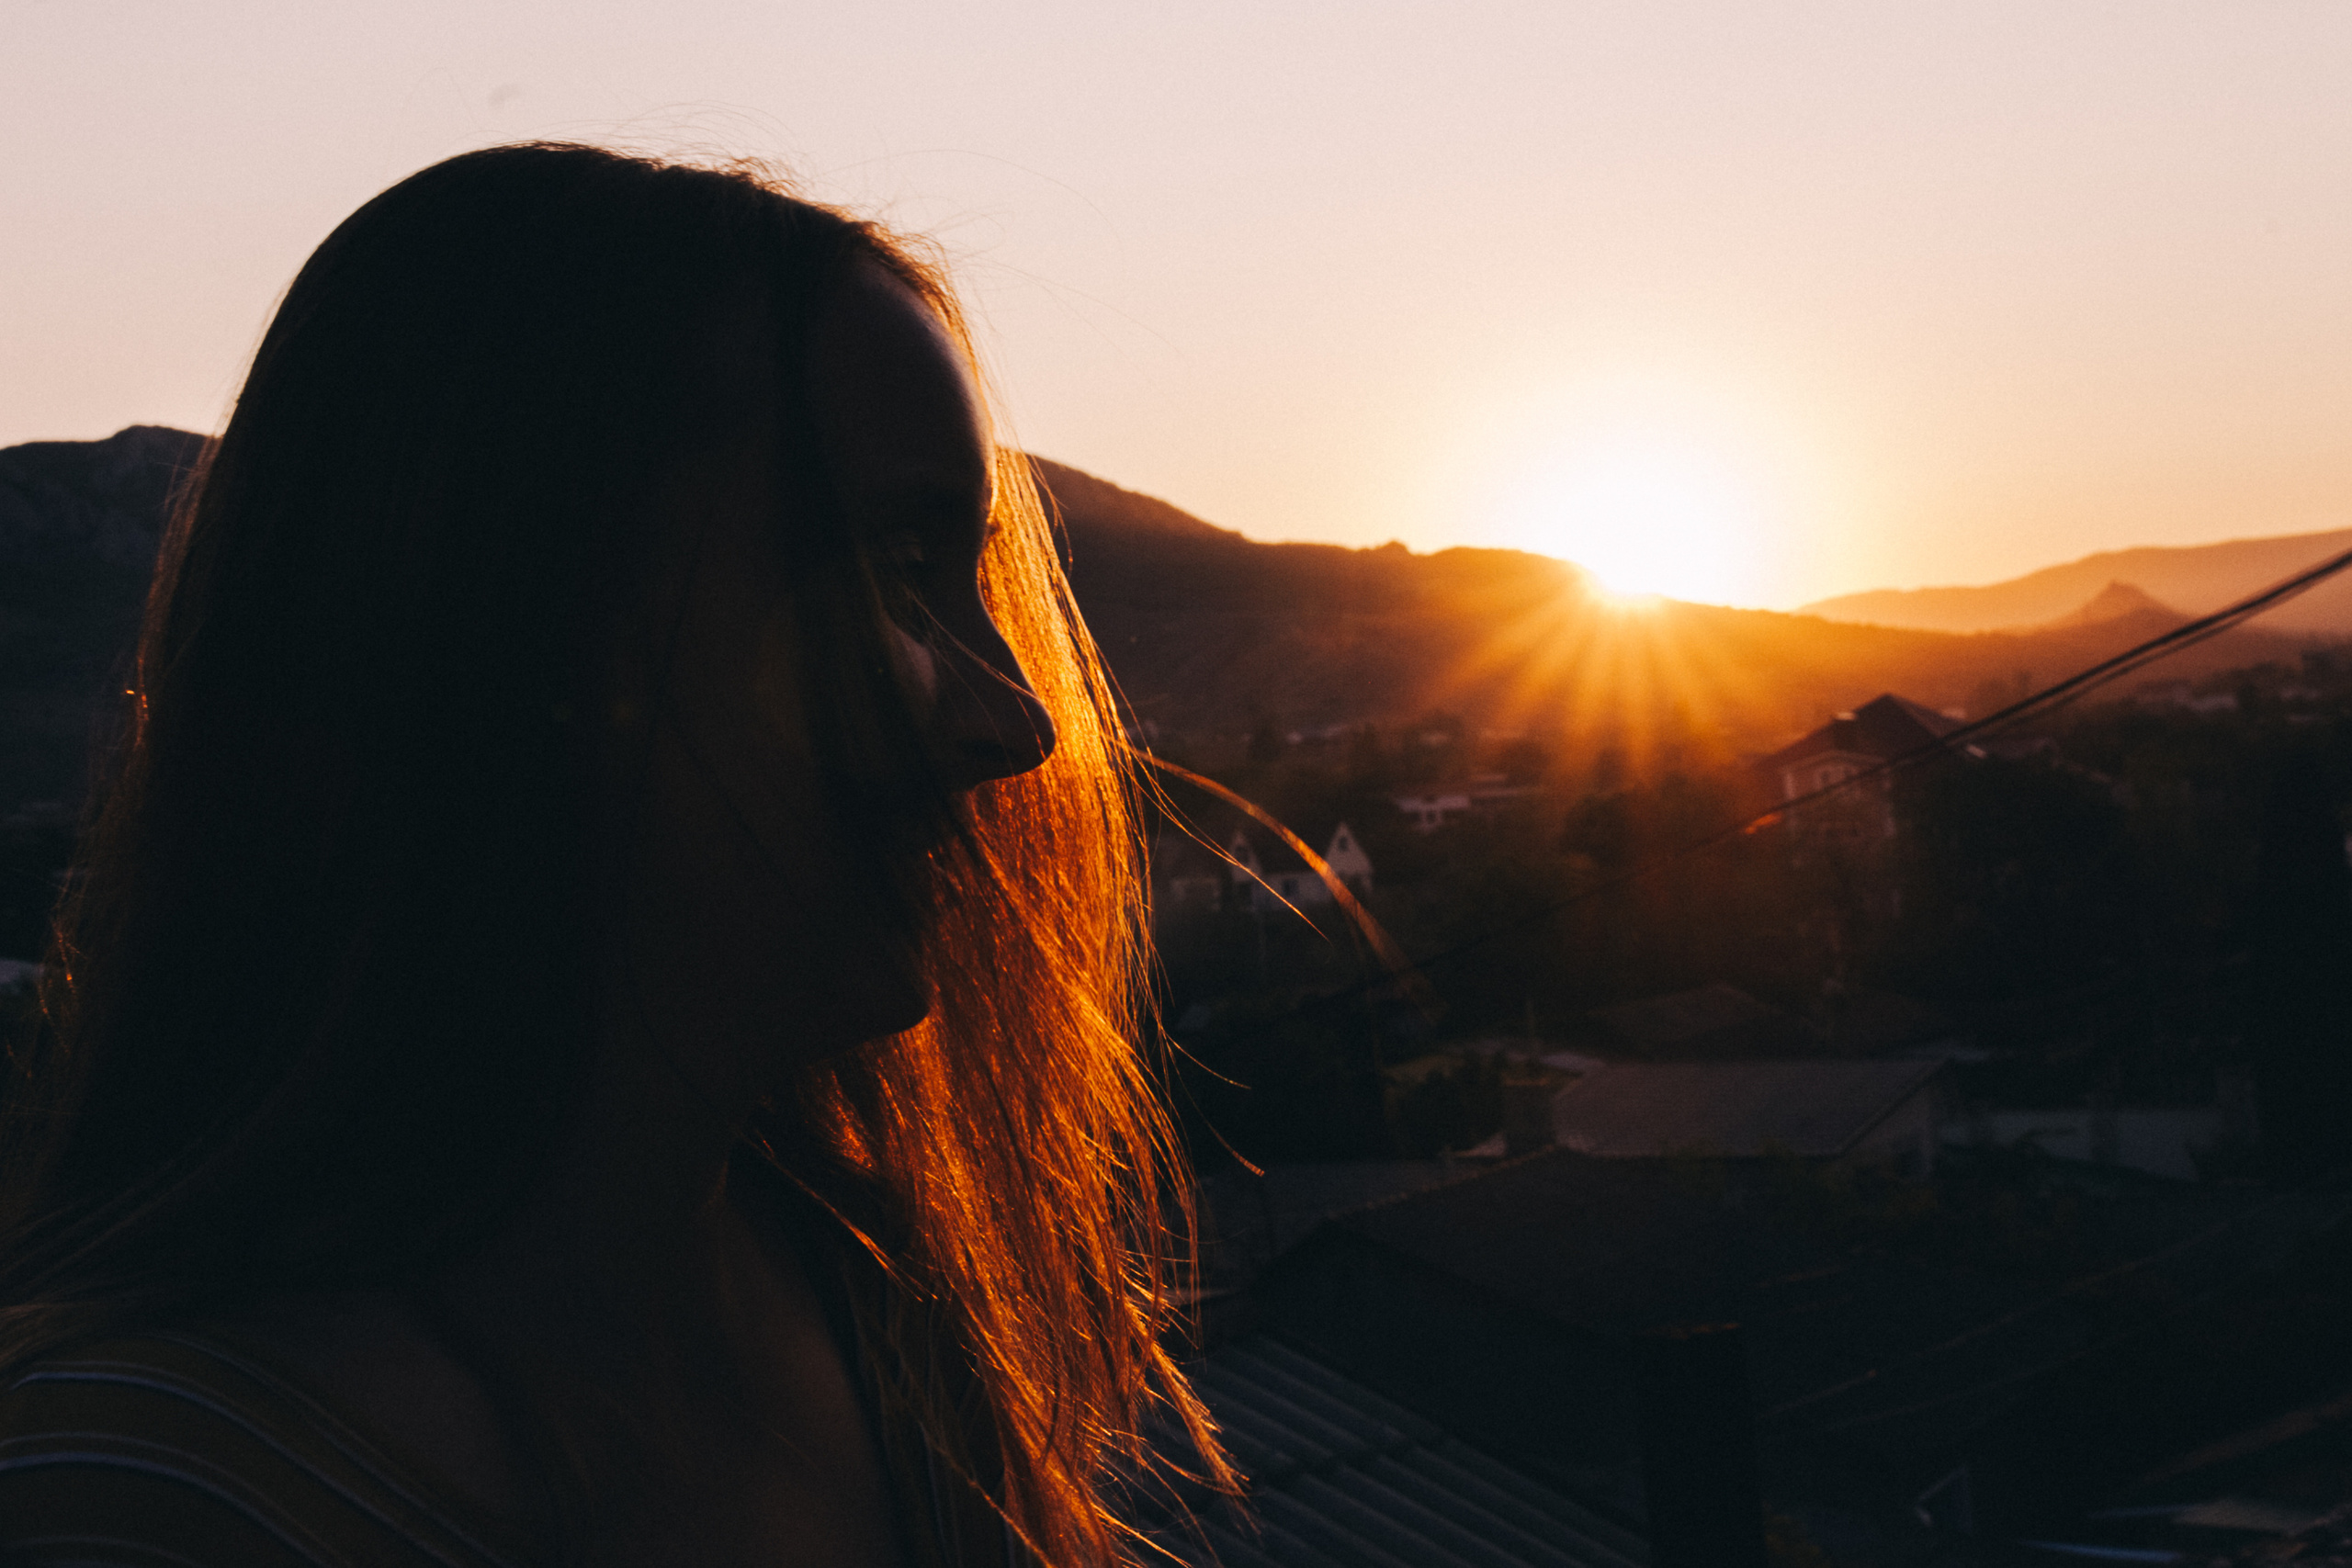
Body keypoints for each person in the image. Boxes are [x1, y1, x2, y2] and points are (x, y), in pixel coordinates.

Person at [0, 143, 1226, 1567]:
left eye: (974, 578)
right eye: (895, 570)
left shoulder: (871, 1303)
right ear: (517, 632)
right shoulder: (136, 1506)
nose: (1019, 721)